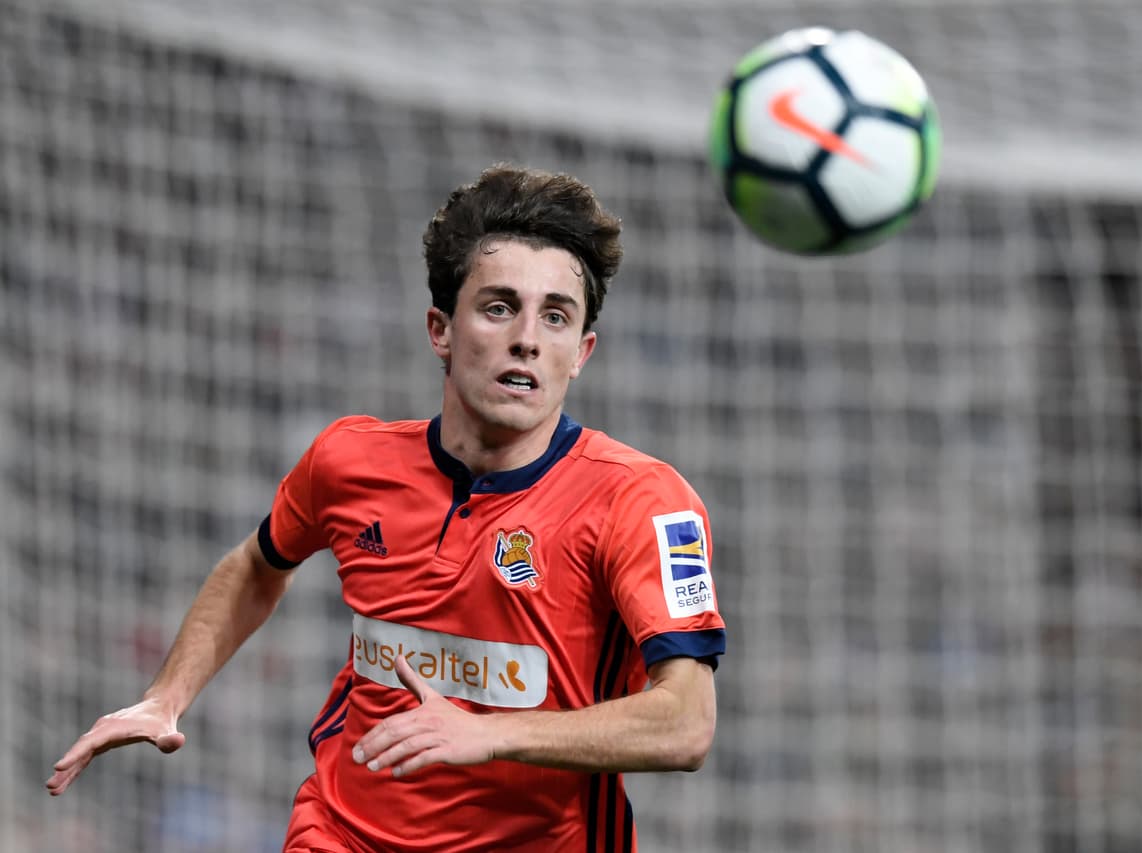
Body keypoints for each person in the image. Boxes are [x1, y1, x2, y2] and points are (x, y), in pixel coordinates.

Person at [47, 164, 727, 852]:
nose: (527, 337)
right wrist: (167, 694)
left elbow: (685, 722)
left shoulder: (640, 499)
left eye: (555, 316)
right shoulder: (349, 460)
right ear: (440, 328)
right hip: (341, 833)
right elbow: (258, 564)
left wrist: (487, 732)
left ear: (580, 352)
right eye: (498, 306)